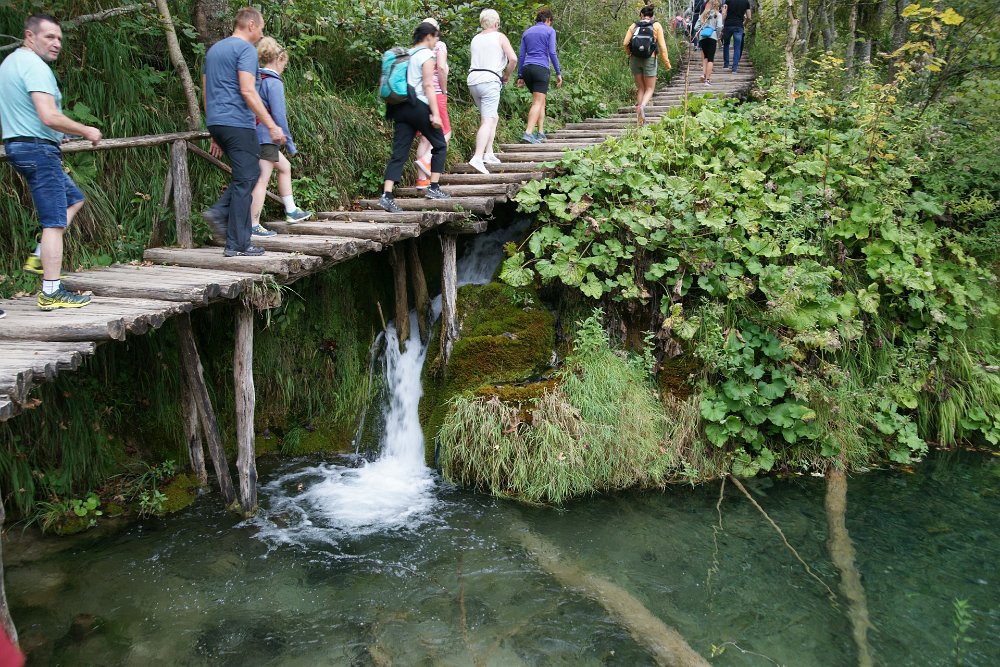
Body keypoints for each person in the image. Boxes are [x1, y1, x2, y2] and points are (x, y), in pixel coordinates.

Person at [0, 13, 102, 310]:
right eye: (49, 37)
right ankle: (51, 292)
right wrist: (85, 130)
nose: (57, 43)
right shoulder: (35, 66)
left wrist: (55, 135)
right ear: (29, 36)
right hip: (38, 151)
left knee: (74, 199)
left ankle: (38, 255)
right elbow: (48, 115)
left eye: (59, 38)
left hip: (22, 144)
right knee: (54, 221)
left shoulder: (10, 64)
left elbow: (23, 112)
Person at [202, 7, 285, 257]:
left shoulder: (214, 50)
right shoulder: (245, 50)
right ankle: (237, 243)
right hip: (238, 122)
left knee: (247, 175)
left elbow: (205, 91)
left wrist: (214, 130)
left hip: (217, 121)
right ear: (251, 25)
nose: (262, 34)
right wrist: (271, 125)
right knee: (247, 178)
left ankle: (223, 218)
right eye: (261, 29)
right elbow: (248, 90)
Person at [377, 21, 451, 213]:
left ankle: (387, 195)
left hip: (400, 107)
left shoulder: (407, 54)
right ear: (428, 36)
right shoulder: (426, 55)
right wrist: (435, 114)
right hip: (418, 106)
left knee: (399, 152)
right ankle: (434, 187)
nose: (436, 42)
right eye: (435, 37)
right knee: (440, 144)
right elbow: (428, 86)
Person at [248, 36, 311, 236]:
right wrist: (290, 144)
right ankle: (253, 225)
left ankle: (291, 210)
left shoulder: (256, 78)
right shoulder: (274, 82)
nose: (285, 67)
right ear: (279, 59)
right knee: (262, 180)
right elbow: (279, 116)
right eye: (285, 63)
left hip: (253, 133)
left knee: (284, 167)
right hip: (265, 137)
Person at [466, 8, 517, 174]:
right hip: (489, 80)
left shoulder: (475, 39)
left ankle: (489, 153)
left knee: (492, 117)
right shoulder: (499, 37)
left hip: (473, 80)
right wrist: (506, 76)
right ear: (496, 23)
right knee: (487, 120)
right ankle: (477, 157)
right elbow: (513, 59)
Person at [516, 8, 563, 144]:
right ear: (548, 19)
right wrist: (558, 72)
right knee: (537, 102)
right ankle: (528, 133)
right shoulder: (550, 31)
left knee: (541, 99)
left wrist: (520, 75)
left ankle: (541, 132)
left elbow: (521, 55)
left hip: (527, 69)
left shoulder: (527, 32)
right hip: (541, 69)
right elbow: (552, 52)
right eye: (551, 22)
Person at [413, 17, 450, 190]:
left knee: (424, 138)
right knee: (446, 132)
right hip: (435, 93)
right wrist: (444, 90)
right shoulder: (439, 45)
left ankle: (422, 180)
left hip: (420, 97)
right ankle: (427, 160)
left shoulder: (416, 49)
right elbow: (441, 68)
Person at [622, 5, 671, 126]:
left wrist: (630, 53)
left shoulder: (634, 26)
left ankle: (639, 117)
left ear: (641, 15)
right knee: (649, 88)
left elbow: (625, 43)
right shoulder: (656, 25)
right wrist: (667, 63)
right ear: (652, 16)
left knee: (641, 88)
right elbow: (662, 47)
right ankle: (642, 107)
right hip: (650, 59)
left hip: (635, 59)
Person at [695, 0, 724, 85]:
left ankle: (704, 74)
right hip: (712, 36)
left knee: (705, 57)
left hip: (703, 37)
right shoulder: (718, 15)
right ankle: (707, 80)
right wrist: (717, 35)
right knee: (711, 58)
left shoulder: (703, 14)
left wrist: (703, 30)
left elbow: (696, 27)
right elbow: (719, 26)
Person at [722, 0, 752, 74]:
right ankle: (734, 69)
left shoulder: (728, 0)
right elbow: (749, 17)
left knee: (726, 44)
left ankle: (726, 65)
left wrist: (722, 23)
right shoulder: (746, 2)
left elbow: (724, 13)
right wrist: (744, 24)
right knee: (737, 47)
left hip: (728, 25)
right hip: (739, 26)